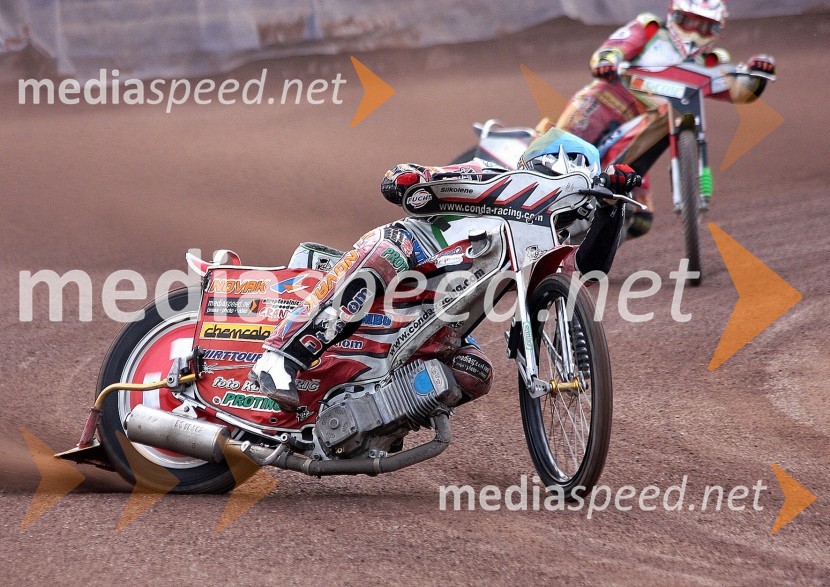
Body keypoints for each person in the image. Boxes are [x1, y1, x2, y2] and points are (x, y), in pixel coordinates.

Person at [250, 128, 639, 411]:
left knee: (475, 373)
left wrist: (613, 206)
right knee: (388, 251)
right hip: (410, 256)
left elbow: (587, 271)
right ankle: (280, 358)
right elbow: (404, 181)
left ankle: (374, 418)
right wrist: (412, 177)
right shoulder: (490, 175)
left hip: (435, 320)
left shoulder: (545, 245)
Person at [545, 0, 775, 239]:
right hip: (606, 102)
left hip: (649, 124)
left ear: (717, 30)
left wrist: (759, 72)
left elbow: (739, 91)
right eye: (689, 21)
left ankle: (587, 248)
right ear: (675, 16)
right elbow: (616, 47)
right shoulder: (651, 29)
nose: (695, 32)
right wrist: (607, 61)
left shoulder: (711, 62)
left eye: (704, 26)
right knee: (558, 158)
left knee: (639, 219)